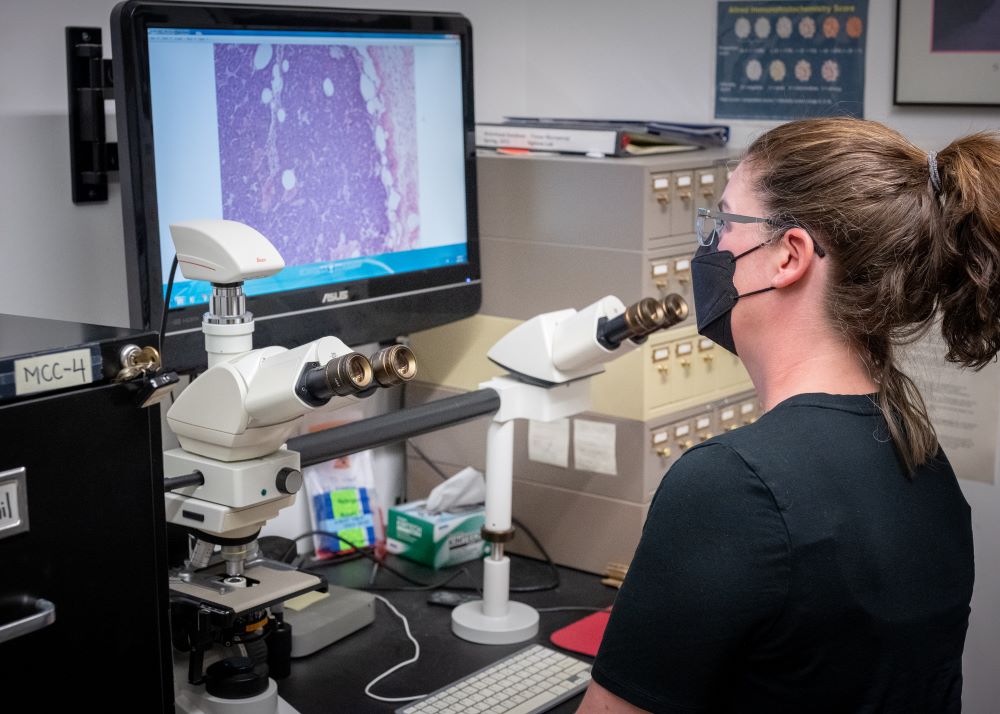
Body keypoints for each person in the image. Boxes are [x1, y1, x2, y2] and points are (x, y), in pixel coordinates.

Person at [579, 117, 997, 713]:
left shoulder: (731, 485)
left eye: (725, 222)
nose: (711, 245)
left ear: (788, 256)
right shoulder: (922, 457)